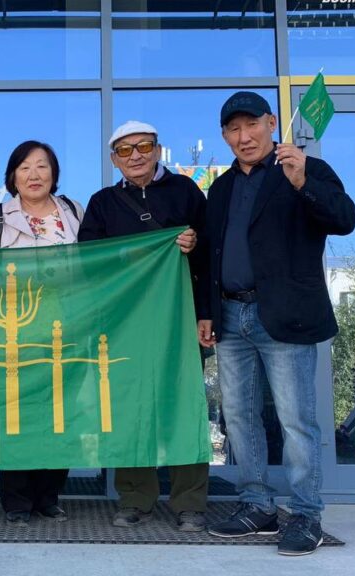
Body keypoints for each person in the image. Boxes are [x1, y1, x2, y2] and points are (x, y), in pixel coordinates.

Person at [200, 91, 355, 556]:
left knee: (295, 420)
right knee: (239, 416)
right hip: (231, 316)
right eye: (234, 129)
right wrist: (207, 311)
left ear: (272, 123)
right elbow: (212, 254)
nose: (244, 136)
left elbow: (345, 219)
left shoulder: (305, 169)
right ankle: (257, 505)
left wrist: (303, 180)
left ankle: (306, 514)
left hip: (285, 314)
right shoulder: (221, 188)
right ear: (225, 136)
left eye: (252, 125)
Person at [77, 120, 210, 533]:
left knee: (184, 405)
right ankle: (135, 498)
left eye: (143, 146)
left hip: (179, 319)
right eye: (124, 150)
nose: (134, 155)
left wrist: (194, 245)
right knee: (129, 408)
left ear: (157, 149)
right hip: (124, 323)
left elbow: (212, 251)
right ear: (113, 159)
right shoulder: (102, 203)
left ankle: (190, 502)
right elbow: (88, 261)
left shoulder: (186, 191)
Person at [0, 140, 84, 525]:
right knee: (16, 416)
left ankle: (49, 496)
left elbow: (93, 264)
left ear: (54, 173)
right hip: (15, 330)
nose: (34, 175)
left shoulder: (73, 211)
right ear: (12, 176)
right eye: (24, 167)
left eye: (41, 166)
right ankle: (17, 501)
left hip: (68, 327)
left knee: (61, 414)